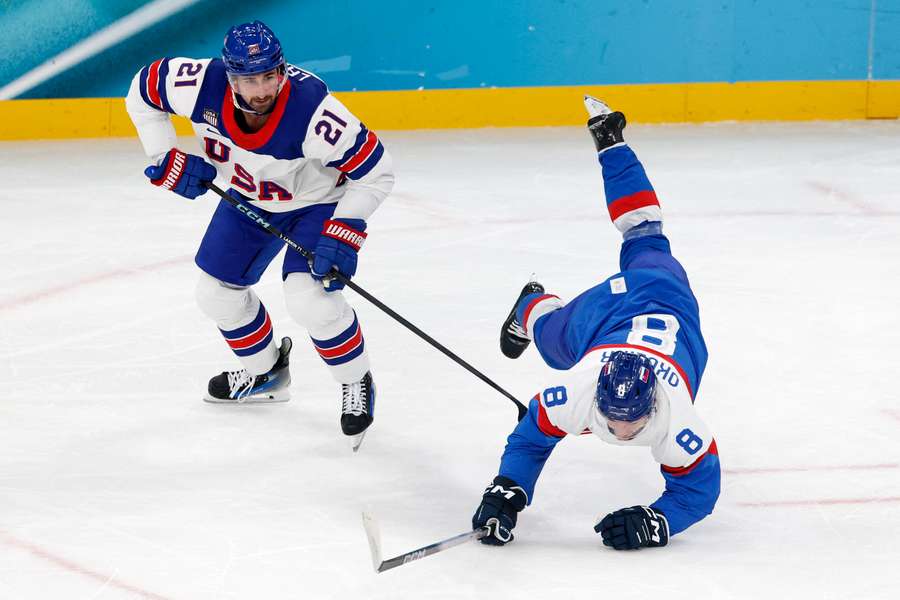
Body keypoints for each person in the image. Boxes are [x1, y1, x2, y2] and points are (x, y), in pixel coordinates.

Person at [125, 21, 393, 445]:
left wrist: (346, 227)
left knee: (310, 300)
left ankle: (356, 381)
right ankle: (267, 373)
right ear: (230, 77)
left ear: (282, 70)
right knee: (215, 294)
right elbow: (142, 90)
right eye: (250, 79)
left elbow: (377, 172)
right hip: (248, 199)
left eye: (270, 75)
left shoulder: (314, 111)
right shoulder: (196, 85)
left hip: (316, 202)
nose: (263, 89)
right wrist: (164, 155)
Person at [472, 96, 720, 550]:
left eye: (631, 422)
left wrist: (656, 522)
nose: (622, 432)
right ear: (599, 394)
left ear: (654, 404)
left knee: (645, 231)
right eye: (612, 419)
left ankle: (612, 143)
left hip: (666, 294)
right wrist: (508, 488)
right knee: (552, 344)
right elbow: (530, 438)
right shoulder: (578, 391)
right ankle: (534, 305)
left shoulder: (679, 421)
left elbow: (700, 492)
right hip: (611, 313)